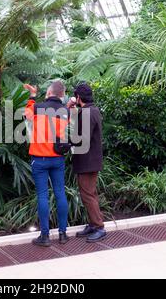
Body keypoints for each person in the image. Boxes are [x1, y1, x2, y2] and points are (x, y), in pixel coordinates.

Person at [24, 81, 69, 247]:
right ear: (62, 95)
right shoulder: (65, 111)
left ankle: (45, 236)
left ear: (49, 92)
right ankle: (63, 234)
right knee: (60, 194)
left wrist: (32, 97)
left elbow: (26, 115)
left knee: (43, 196)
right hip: (58, 158)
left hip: (40, 158)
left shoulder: (38, 107)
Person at [67, 82, 106, 242]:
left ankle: (99, 227)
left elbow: (82, 138)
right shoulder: (91, 110)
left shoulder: (87, 113)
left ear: (78, 97)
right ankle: (93, 224)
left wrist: (66, 142)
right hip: (90, 160)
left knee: (88, 195)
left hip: (88, 161)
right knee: (90, 194)